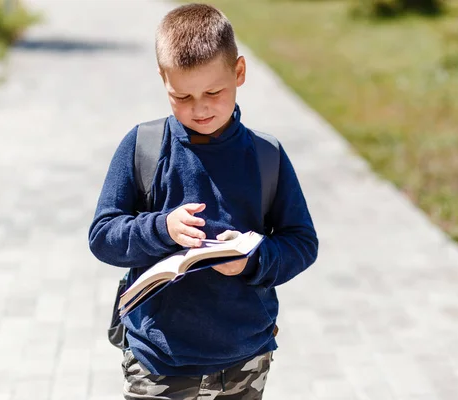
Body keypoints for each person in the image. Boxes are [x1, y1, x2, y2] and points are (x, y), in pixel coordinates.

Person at [88, 3, 318, 399]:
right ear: (163, 80)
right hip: (157, 361)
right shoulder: (143, 147)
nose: (199, 108)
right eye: (182, 96)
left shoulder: (266, 155)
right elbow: (102, 235)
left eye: (214, 92)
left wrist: (253, 260)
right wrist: (161, 228)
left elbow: (301, 242)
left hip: (244, 357)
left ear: (239, 73)